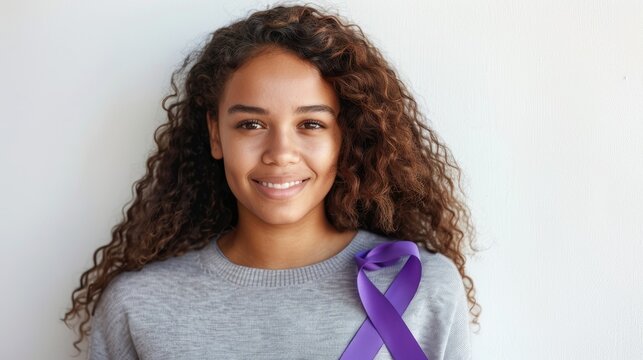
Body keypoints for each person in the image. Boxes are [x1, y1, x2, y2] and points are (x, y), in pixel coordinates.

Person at [63, 4, 480, 359]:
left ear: (345, 136)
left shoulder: (420, 285)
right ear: (215, 134)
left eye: (311, 123)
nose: (280, 152)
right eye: (251, 123)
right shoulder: (137, 308)